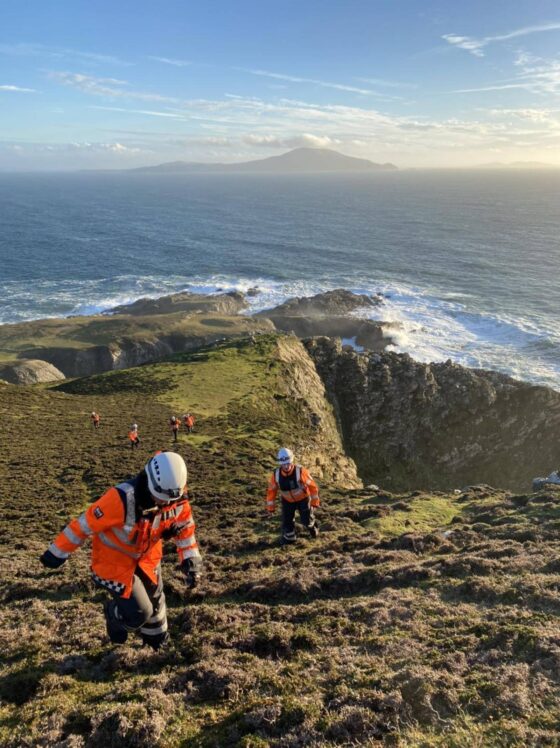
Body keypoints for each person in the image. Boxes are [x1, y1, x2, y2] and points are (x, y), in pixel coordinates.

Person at [39, 451, 202, 649]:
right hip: (113, 566)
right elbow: (84, 524)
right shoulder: (121, 499)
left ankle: (156, 643)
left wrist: (191, 560)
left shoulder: (176, 495)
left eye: (168, 500)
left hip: (148, 560)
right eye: (159, 498)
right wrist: (57, 553)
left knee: (156, 605)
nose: (164, 504)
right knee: (140, 612)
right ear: (149, 481)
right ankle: (113, 614)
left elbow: (185, 528)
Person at [265, 447, 320, 545]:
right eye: (284, 464)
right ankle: (290, 539)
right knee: (287, 523)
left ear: (291, 461)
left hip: (303, 499)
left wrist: (314, 502)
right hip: (287, 501)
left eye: (288, 463)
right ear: (280, 464)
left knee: (307, 521)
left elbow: (312, 486)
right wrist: (270, 508)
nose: (286, 466)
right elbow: (271, 491)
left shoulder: (301, 471)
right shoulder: (276, 475)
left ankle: (312, 527)